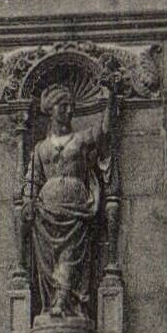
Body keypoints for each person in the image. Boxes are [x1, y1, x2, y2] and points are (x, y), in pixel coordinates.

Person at [22, 84, 112, 319]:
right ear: (51, 110)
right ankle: (54, 300)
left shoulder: (81, 139)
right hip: (47, 211)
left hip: (76, 208)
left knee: (71, 255)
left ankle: (63, 302)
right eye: (63, 106)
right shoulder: (40, 149)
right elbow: (33, 179)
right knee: (50, 260)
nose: (69, 111)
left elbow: (104, 132)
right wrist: (28, 202)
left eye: (72, 106)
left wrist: (110, 102)